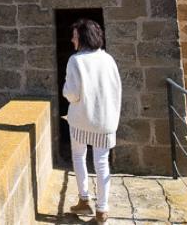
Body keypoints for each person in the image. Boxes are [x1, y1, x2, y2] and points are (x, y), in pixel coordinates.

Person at [62, 18, 122, 221]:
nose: (72, 40)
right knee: (102, 162)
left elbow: (72, 94)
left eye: (75, 36)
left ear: (83, 38)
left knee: (79, 157)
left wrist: (65, 91)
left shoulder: (75, 61)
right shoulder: (108, 59)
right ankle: (102, 210)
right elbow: (116, 89)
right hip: (105, 120)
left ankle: (84, 200)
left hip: (81, 119)